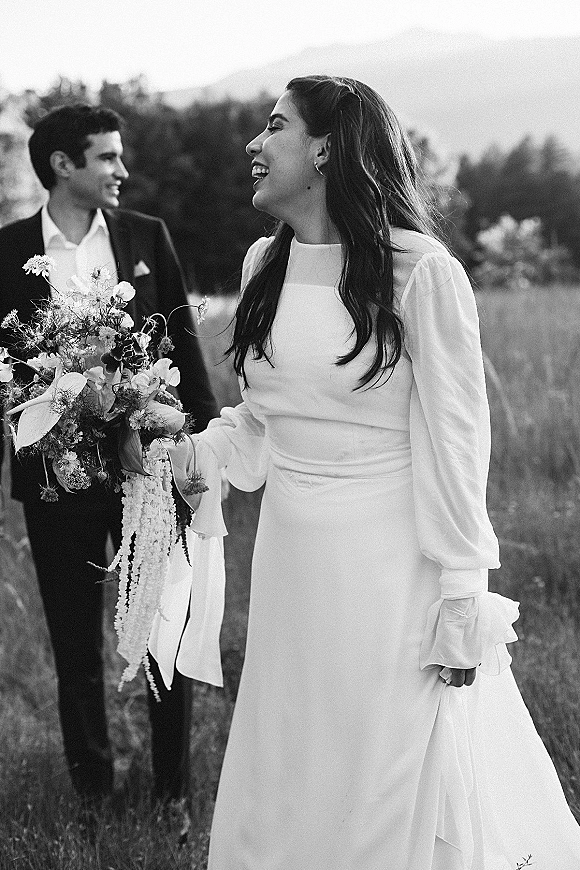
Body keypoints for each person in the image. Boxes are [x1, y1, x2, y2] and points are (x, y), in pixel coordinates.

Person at [156, 76, 580, 868]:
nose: (254, 143)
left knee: (382, 762)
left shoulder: (420, 271)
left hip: (389, 569)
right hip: (292, 564)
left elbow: (458, 443)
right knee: (294, 745)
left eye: (273, 126)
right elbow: (259, 424)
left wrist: (463, 598)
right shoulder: (263, 263)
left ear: (324, 148)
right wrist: (185, 454)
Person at [0, 104, 218, 813]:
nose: (122, 170)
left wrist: (199, 446)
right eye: (107, 158)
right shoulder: (6, 252)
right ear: (64, 165)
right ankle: (93, 792)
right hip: (54, 482)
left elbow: (181, 341)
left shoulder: (145, 236)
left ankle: (171, 795)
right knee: (75, 648)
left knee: (162, 631)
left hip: (146, 471)